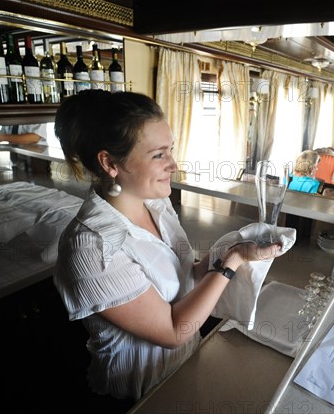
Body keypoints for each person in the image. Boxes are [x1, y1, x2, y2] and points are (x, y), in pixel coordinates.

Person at [52, 90, 284, 402]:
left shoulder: (156, 204)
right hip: (142, 393)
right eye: (158, 154)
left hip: (186, 367)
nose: (173, 164)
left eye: (170, 150)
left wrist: (234, 248)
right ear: (109, 163)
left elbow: (184, 277)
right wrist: (233, 261)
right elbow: (174, 331)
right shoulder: (92, 247)